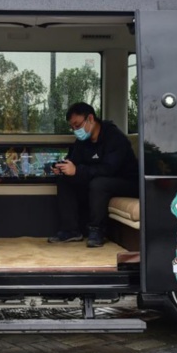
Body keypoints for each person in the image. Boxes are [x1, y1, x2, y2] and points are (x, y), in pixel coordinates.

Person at [48, 102, 139, 247]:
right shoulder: (82, 141)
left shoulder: (115, 138)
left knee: (99, 183)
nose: (75, 130)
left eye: (77, 125)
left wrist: (77, 170)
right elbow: (74, 161)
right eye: (72, 127)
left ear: (90, 118)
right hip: (100, 179)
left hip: (127, 182)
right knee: (65, 180)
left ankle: (97, 230)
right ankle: (70, 230)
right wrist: (63, 167)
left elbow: (109, 169)